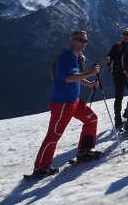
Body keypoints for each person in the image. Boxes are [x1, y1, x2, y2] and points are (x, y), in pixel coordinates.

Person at [32, 30, 101, 178]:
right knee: (54, 135)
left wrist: (89, 84)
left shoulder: (74, 56)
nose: (83, 43)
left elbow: (74, 77)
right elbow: (69, 78)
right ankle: (40, 168)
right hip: (63, 104)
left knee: (91, 119)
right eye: (80, 40)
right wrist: (90, 73)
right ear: (72, 40)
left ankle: (85, 151)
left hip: (73, 101)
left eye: (85, 41)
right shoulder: (67, 56)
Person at [104, 27, 128, 130]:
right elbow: (109, 57)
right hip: (119, 75)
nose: (125, 36)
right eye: (124, 34)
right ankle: (118, 120)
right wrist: (108, 60)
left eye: (127, 34)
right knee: (119, 97)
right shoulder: (117, 46)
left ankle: (126, 113)